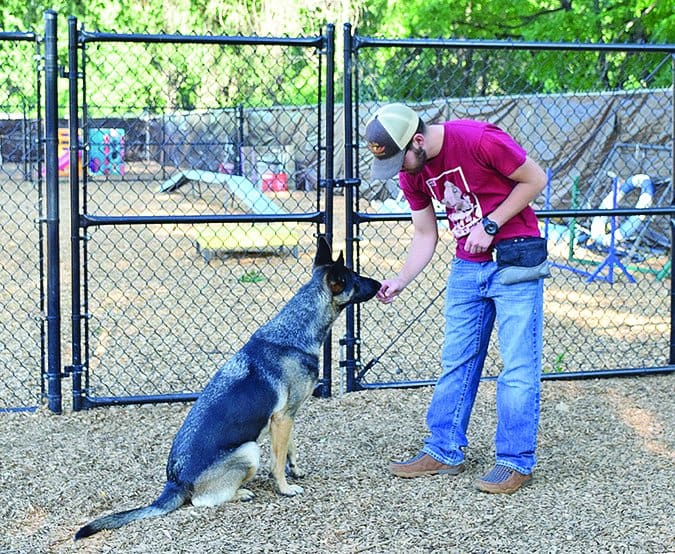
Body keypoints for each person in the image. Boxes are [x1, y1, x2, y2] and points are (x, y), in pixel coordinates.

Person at [365, 103, 548, 494]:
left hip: (516, 254)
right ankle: (444, 449)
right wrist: (402, 278)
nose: (400, 169)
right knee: (457, 359)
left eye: (401, 158)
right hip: (468, 265)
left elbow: (535, 179)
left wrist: (492, 222)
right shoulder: (412, 171)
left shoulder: (478, 139)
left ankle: (516, 461)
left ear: (418, 139)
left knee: (517, 366)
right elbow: (424, 234)